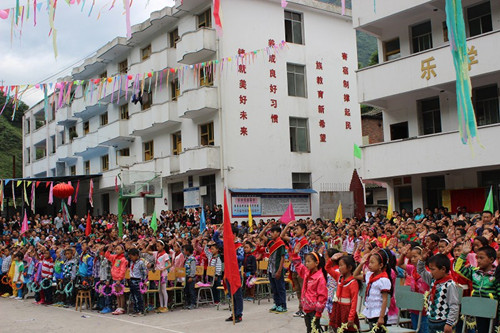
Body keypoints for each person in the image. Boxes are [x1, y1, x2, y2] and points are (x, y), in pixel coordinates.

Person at [455, 243, 499, 333]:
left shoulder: (496, 274)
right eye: (477, 258)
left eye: (481, 258)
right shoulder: (474, 273)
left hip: (492, 312)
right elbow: (458, 269)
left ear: (491, 260)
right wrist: (463, 254)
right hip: (478, 309)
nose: (478, 260)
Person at [417, 253, 459, 333]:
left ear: (443, 269)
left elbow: (454, 305)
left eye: (433, 269)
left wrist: (449, 323)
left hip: (443, 322)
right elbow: (421, 270)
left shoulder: (450, 284)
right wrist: (422, 260)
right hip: (431, 320)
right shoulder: (433, 280)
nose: (431, 272)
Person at [290, 244, 328, 333]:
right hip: (307, 308)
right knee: (309, 329)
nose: (306, 264)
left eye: (308, 261)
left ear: (316, 263)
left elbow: (322, 297)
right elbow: (299, 267)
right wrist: (295, 255)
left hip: (314, 310)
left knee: (314, 329)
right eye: (306, 261)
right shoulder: (307, 273)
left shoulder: (320, 278)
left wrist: (319, 312)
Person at [353, 249, 393, 332]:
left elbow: (385, 300)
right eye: (369, 262)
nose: (369, 265)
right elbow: (355, 275)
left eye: (372, 262)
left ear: (380, 265)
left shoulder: (383, 280)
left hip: (379, 313)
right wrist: (361, 263)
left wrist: (381, 317)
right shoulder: (369, 275)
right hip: (371, 311)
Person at [397, 244, 429, 333]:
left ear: (422, 256)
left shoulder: (427, 271)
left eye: (415, 256)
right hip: (414, 305)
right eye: (411, 257)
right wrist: (403, 254)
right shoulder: (412, 268)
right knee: (416, 329)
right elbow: (399, 264)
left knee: (424, 329)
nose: (412, 259)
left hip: (424, 307)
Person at [281, 221, 310, 317]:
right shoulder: (294, 240)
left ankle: (305, 308)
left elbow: (306, 257)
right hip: (293, 268)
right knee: (297, 289)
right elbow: (282, 236)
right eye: (295, 229)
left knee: (303, 289)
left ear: (303, 230)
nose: (295, 230)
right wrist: (287, 226)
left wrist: (306, 270)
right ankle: (300, 308)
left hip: (301, 269)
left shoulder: (304, 242)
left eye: (297, 229)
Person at [327, 254, 360, 332]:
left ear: (349, 268)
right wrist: (331, 260)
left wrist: (351, 317)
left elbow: (354, 301)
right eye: (339, 265)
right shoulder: (339, 277)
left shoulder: (353, 282)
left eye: (341, 265)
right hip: (338, 308)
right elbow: (327, 268)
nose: (339, 268)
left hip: (347, 311)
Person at [259, 223, 287, 313]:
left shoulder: (280, 243)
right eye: (270, 232)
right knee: (274, 288)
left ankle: (283, 305)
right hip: (271, 268)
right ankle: (277, 303)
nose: (271, 234)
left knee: (280, 288)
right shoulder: (270, 242)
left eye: (273, 232)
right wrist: (266, 227)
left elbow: (282, 257)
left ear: (278, 233)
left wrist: (279, 270)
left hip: (277, 268)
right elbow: (260, 235)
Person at [148, 239, 171, 313]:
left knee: (164, 290)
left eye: (158, 246)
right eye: (156, 246)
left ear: (163, 246)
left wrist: (164, 268)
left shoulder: (165, 255)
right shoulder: (156, 253)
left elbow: (170, 264)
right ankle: (161, 306)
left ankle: (165, 306)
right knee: (159, 291)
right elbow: (146, 251)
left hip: (163, 274)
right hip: (157, 274)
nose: (157, 247)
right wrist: (149, 245)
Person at [105, 243, 128, 315]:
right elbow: (107, 256)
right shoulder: (115, 257)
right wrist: (108, 251)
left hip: (119, 279)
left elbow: (122, 270)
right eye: (116, 249)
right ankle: (118, 307)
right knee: (117, 293)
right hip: (114, 278)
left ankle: (122, 307)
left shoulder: (123, 259)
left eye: (118, 249)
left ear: (123, 250)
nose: (117, 250)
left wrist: (119, 279)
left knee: (121, 293)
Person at [128, 248, 147, 316]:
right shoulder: (131, 262)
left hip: (137, 280)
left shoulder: (141, 263)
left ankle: (140, 310)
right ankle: (135, 310)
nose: (131, 258)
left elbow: (144, 272)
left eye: (132, 256)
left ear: (136, 255)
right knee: (133, 296)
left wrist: (144, 281)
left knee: (138, 296)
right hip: (131, 280)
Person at [183, 244, 197, 310]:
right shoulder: (187, 258)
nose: (183, 251)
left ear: (188, 251)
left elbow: (193, 269)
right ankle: (188, 303)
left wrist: (191, 276)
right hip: (186, 276)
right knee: (187, 290)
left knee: (191, 290)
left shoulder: (192, 259)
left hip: (191, 277)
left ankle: (193, 303)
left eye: (184, 250)